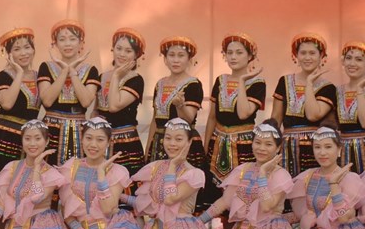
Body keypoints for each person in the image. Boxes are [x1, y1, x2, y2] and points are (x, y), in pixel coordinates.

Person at [201, 33, 265, 210]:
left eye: (239, 52)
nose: (233, 57)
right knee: (214, 197)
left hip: (244, 145)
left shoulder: (257, 83)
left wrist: (242, 81)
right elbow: (212, 117)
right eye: (229, 53)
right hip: (217, 143)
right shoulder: (220, 80)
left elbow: (244, 113)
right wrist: (205, 148)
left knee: (241, 194)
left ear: (250, 56)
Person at [0, 28, 41, 200]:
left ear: (33, 49)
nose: (23, 53)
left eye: (27, 47)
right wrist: (19, 73)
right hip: (4, 138)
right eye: (17, 49)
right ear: (8, 54)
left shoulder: (39, 76)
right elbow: (7, 103)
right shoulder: (4, 76)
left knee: (23, 191)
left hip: (29, 138)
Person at [270, 33, 334, 178]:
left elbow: (314, 115)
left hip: (315, 147)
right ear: (296, 56)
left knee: (312, 184)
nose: (307, 57)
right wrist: (272, 148)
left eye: (312, 53)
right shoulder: (284, 82)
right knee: (285, 185)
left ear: (321, 56)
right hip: (287, 147)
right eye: (303, 53)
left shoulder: (328, 87)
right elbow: (276, 119)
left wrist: (309, 83)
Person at [38, 19, 99, 165]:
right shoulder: (46, 67)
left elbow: (86, 101)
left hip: (79, 129)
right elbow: (47, 101)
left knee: (77, 172)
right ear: (55, 43)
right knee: (47, 171)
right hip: (51, 129)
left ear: (81, 43)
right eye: (62, 39)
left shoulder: (91, 70)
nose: (67, 44)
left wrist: (72, 72)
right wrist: (65, 70)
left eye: (72, 39)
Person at [325, 41, 365, 170]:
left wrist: (359, 90)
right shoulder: (336, 91)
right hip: (343, 152)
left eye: (359, 59)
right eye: (348, 58)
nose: (352, 63)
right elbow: (329, 124)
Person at [144, 36, 205, 165]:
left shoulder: (193, 84)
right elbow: (155, 119)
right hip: (159, 141)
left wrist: (180, 106)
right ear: (165, 59)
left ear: (189, 59)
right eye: (171, 55)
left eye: (181, 55)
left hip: (181, 142)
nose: (176, 60)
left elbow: (189, 119)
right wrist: (148, 147)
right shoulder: (160, 84)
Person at [94, 28, 147, 176]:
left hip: (125, 143)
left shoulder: (136, 80)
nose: (122, 54)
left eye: (128, 51)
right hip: (101, 141)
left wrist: (116, 76)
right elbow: (96, 109)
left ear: (136, 55)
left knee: (123, 183)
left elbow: (114, 106)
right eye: (119, 48)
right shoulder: (102, 76)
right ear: (113, 49)